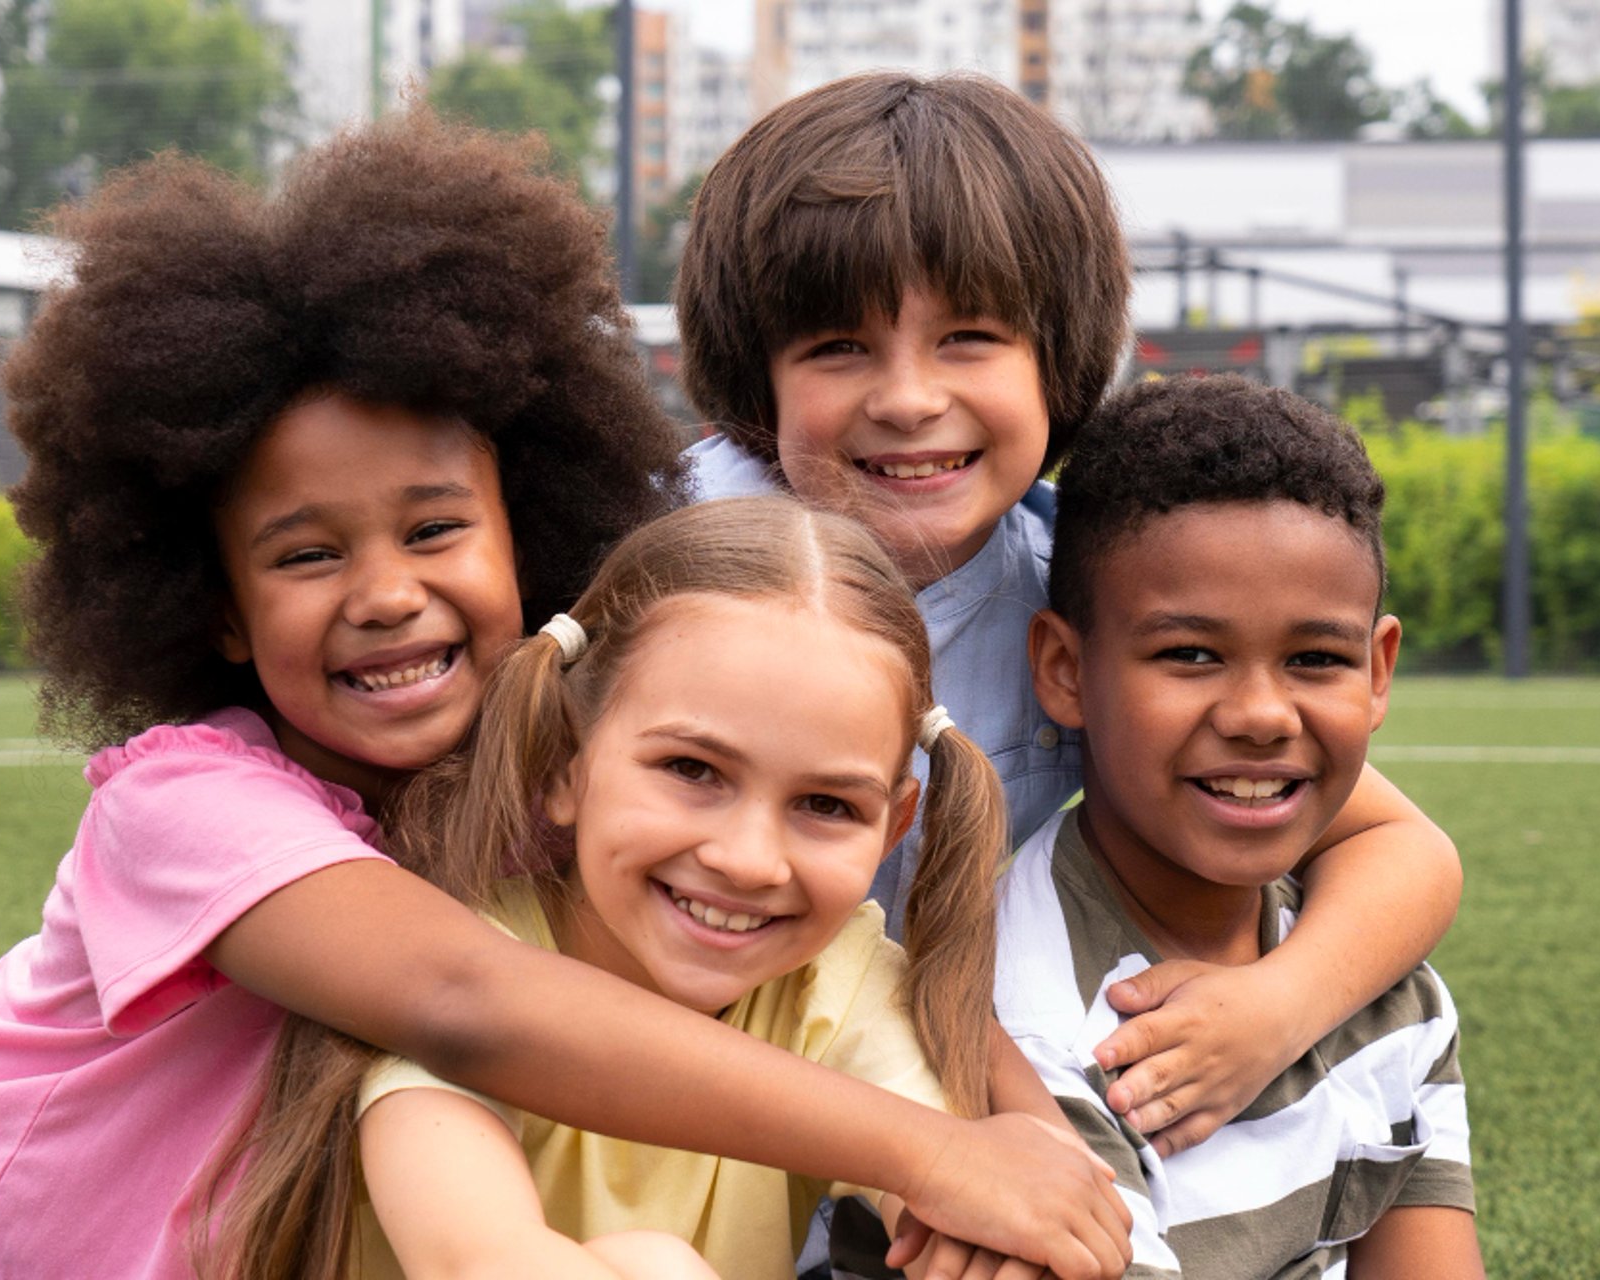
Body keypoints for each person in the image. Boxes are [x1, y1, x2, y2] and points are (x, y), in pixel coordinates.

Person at [0, 111, 1120, 1280]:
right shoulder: (188, 803)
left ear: (531, 529)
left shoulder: (561, 751)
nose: (382, 594)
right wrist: (927, 1154)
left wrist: (1013, 1133)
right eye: (309, 554)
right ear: (212, 606)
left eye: (434, 531)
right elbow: (465, 1002)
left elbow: (874, 971)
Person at [674, 70, 1466, 1162]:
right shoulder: (656, 560)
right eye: (839, 346)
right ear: (758, 376)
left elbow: (1402, 847)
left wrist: (1273, 1010)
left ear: (1061, 357)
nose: (907, 397)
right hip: (668, 1083)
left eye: (969, 337)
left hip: (942, 1091)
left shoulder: (1073, 595)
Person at [216, 496, 1131, 1280]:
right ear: (563, 766)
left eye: (824, 804)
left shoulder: (840, 984)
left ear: (893, 828)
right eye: (692, 770)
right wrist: (947, 1167)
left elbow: (962, 1203)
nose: (748, 859)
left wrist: (991, 1232)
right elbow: (482, 1256)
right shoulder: (462, 969)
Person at [997, 374, 1482, 1277]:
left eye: (1314, 658)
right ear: (1065, 669)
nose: (1262, 714)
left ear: (1378, 673)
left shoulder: (1384, 986)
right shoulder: (1033, 1029)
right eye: (1189, 654)